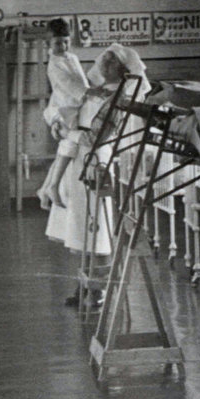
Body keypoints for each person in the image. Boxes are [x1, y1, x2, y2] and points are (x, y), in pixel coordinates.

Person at [44, 43, 151, 307]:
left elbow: (96, 137)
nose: (104, 62)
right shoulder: (96, 91)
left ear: (124, 70)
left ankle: (98, 290)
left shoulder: (119, 98)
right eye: (105, 57)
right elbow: (67, 108)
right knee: (79, 227)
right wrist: (59, 123)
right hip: (78, 159)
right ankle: (83, 286)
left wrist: (67, 133)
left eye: (112, 61)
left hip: (95, 160)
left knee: (96, 228)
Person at [35, 18, 110, 209]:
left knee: (66, 151)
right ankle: (51, 186)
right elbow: (69, 86)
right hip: (63, 108)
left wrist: (95, 91)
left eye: (66, 41)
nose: (63, 46)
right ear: (48, 44)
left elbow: (82, 81)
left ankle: (45, 190)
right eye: (58, 43)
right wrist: (91, 93)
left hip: (76, 106)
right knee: (68, 145)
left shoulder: (73, 58)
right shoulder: (54, 64)